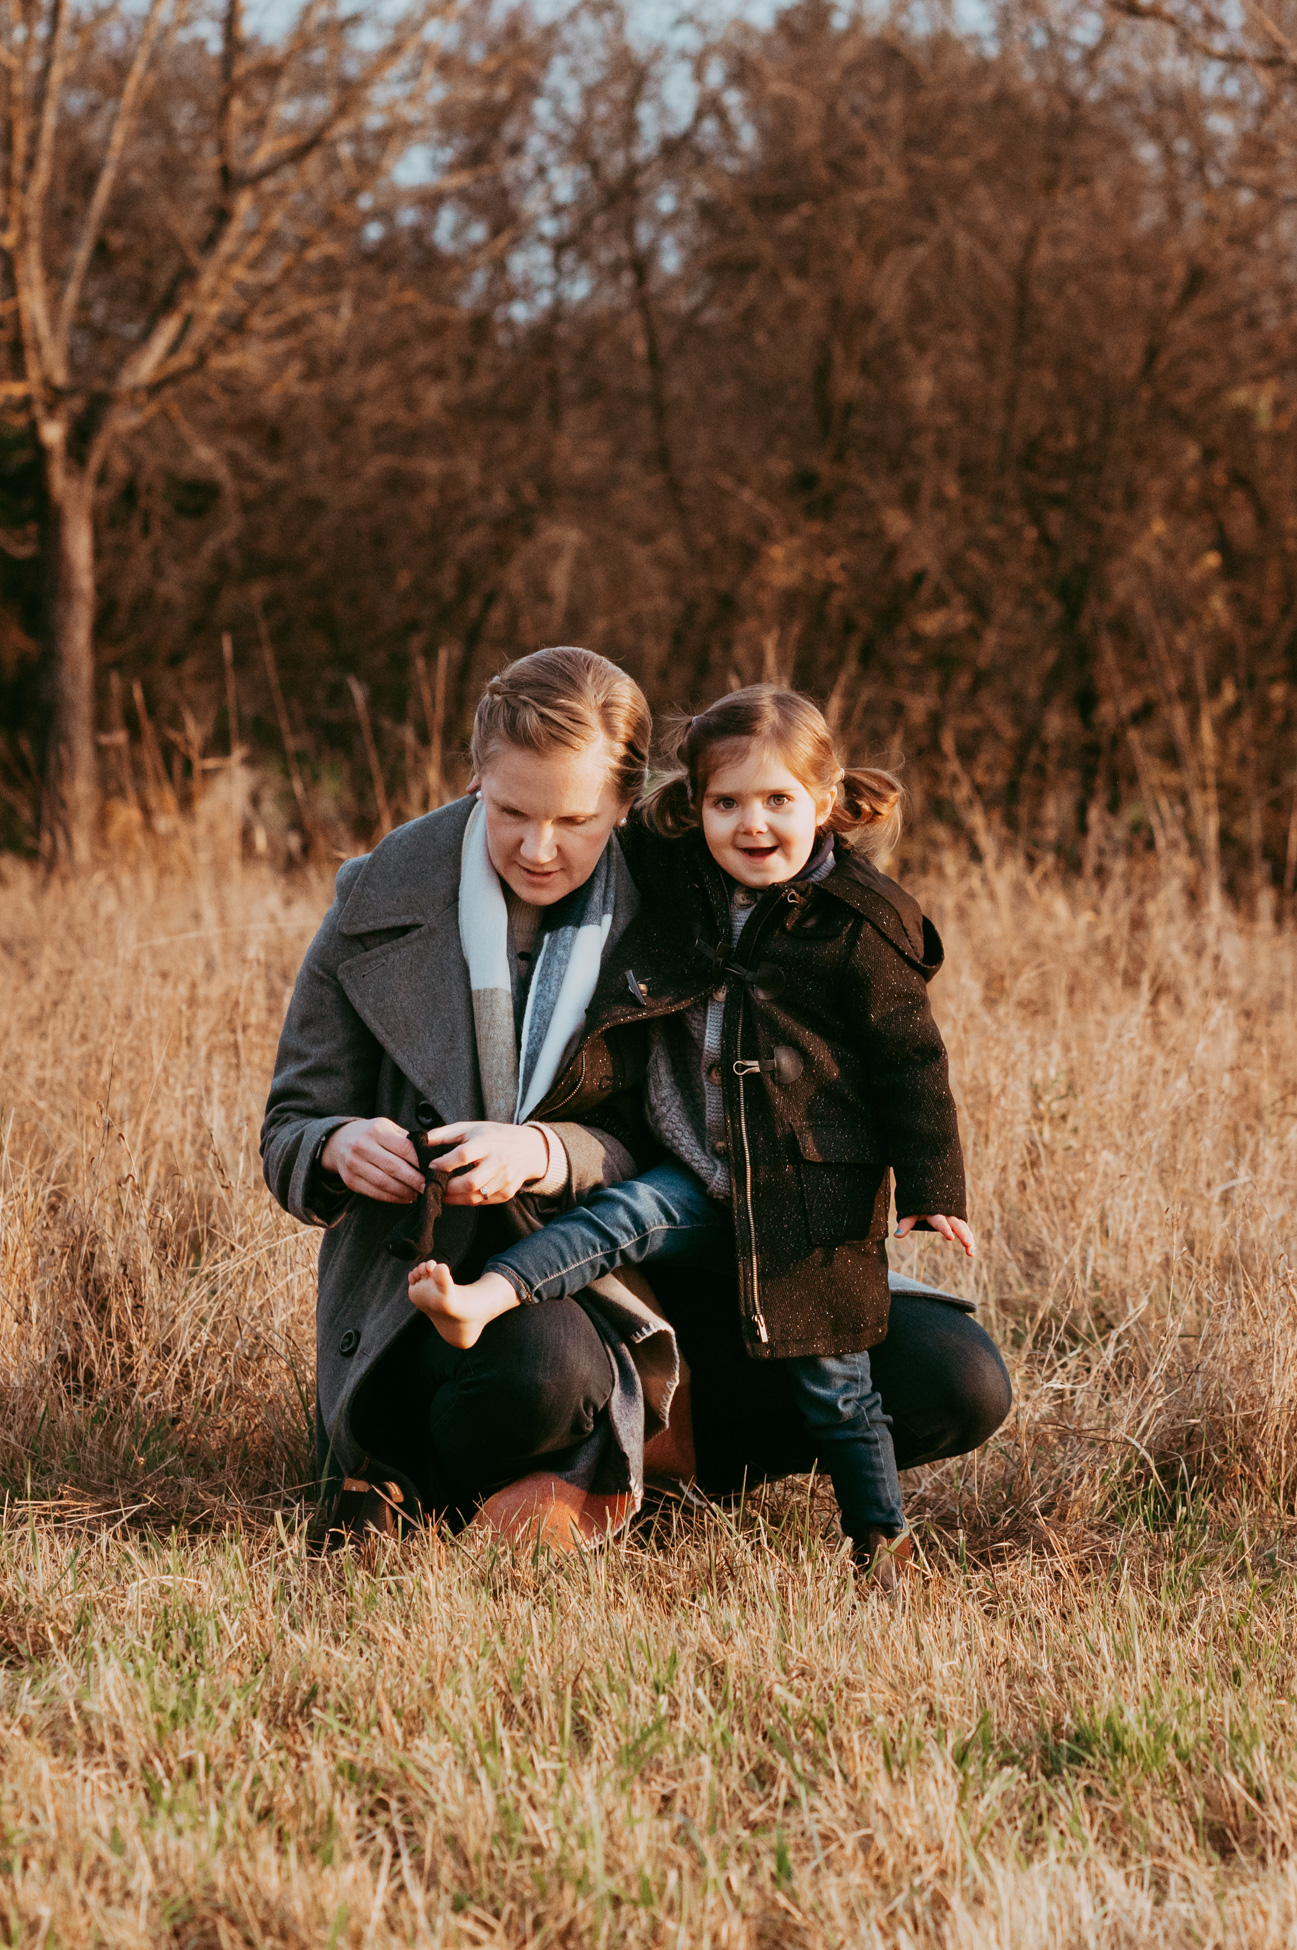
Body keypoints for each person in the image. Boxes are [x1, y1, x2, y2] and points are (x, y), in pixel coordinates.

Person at [407, 686, 984, 1584]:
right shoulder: (679, 877)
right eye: (727, 803)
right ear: (695, 806)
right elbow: (582, 821)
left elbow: (912, 1066)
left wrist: (935, 1189)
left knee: (838, 1385)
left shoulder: (862, 926)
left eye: (777, 801)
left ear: (824, 803)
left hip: (802, 1196)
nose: (751, 825)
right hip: (697, 1167)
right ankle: (483, 1301)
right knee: (616, 1220)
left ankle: (882, 1544)